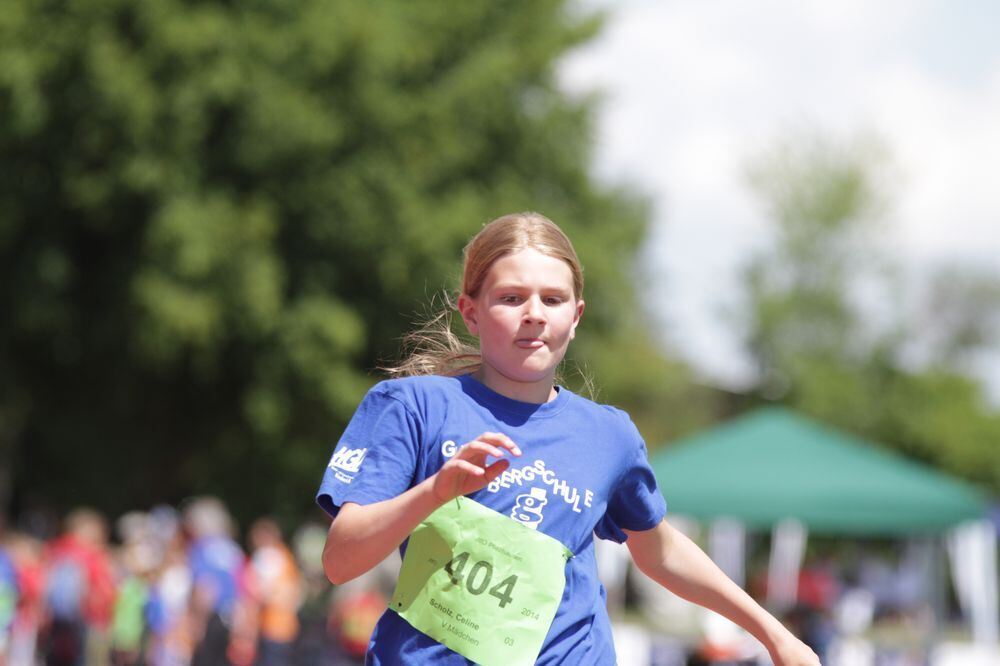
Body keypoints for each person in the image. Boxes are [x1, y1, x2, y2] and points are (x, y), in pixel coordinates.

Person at [317, 212, 820, 665]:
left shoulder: (609, 435)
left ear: (575, 317)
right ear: (470, 312)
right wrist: (436, 492)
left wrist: (775, 635)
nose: (534, 313)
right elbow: (341, 562)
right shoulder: (413, 407)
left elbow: (660, 552)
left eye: (552, 299)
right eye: (511, 297)